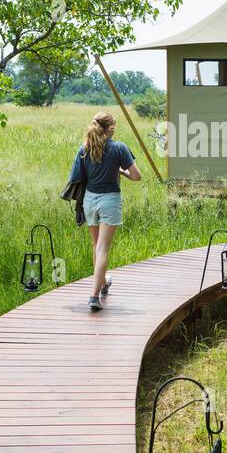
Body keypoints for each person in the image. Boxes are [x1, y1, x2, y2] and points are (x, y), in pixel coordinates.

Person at [68, 111, 141, 311]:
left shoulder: (84, 149)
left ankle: (102, 283)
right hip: (110, 200)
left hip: (90, 200)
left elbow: (76, 177)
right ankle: (94, 296)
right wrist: (121, 172)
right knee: (103, 249)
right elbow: (136, 176)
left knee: (96, 246)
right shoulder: (119, 148)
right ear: (109, 128)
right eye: (114, 127)